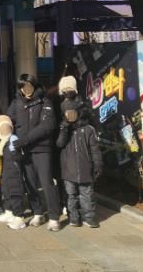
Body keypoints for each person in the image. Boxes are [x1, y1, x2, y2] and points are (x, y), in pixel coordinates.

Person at [7, 74, 61, 232]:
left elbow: (48, 125)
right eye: (23, 86)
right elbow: (8, 121)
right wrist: (9, 135)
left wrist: (24, 140)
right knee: (29, 183)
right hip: (25, 151)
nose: (27, 89)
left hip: (42, 149)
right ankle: (37, 212)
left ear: (34, 86)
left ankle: (54, 217)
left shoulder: (45, 102)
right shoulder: (16, 103)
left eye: (29, 86)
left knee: (46, 183)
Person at [56, 76, 103, 228]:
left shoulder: (88, 129)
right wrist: (64, 127)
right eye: (64, 91)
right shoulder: (63, 127)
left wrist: (97, 164)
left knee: (87, 194)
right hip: (68, 168)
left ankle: (89, 217)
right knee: (71, 195)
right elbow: (59, 143)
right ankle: (74, 218)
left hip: (85, 167)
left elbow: (94, 149)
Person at [0, 115, 27, 230]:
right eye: (2, 127)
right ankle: (9, 212)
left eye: (7, 127)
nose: (5, 129)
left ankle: (19, 217)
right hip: (5, 172)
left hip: (14, 171)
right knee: (6, 192)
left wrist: (14, 150)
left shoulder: (13, 139)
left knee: (15, 193)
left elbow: (20, 157)